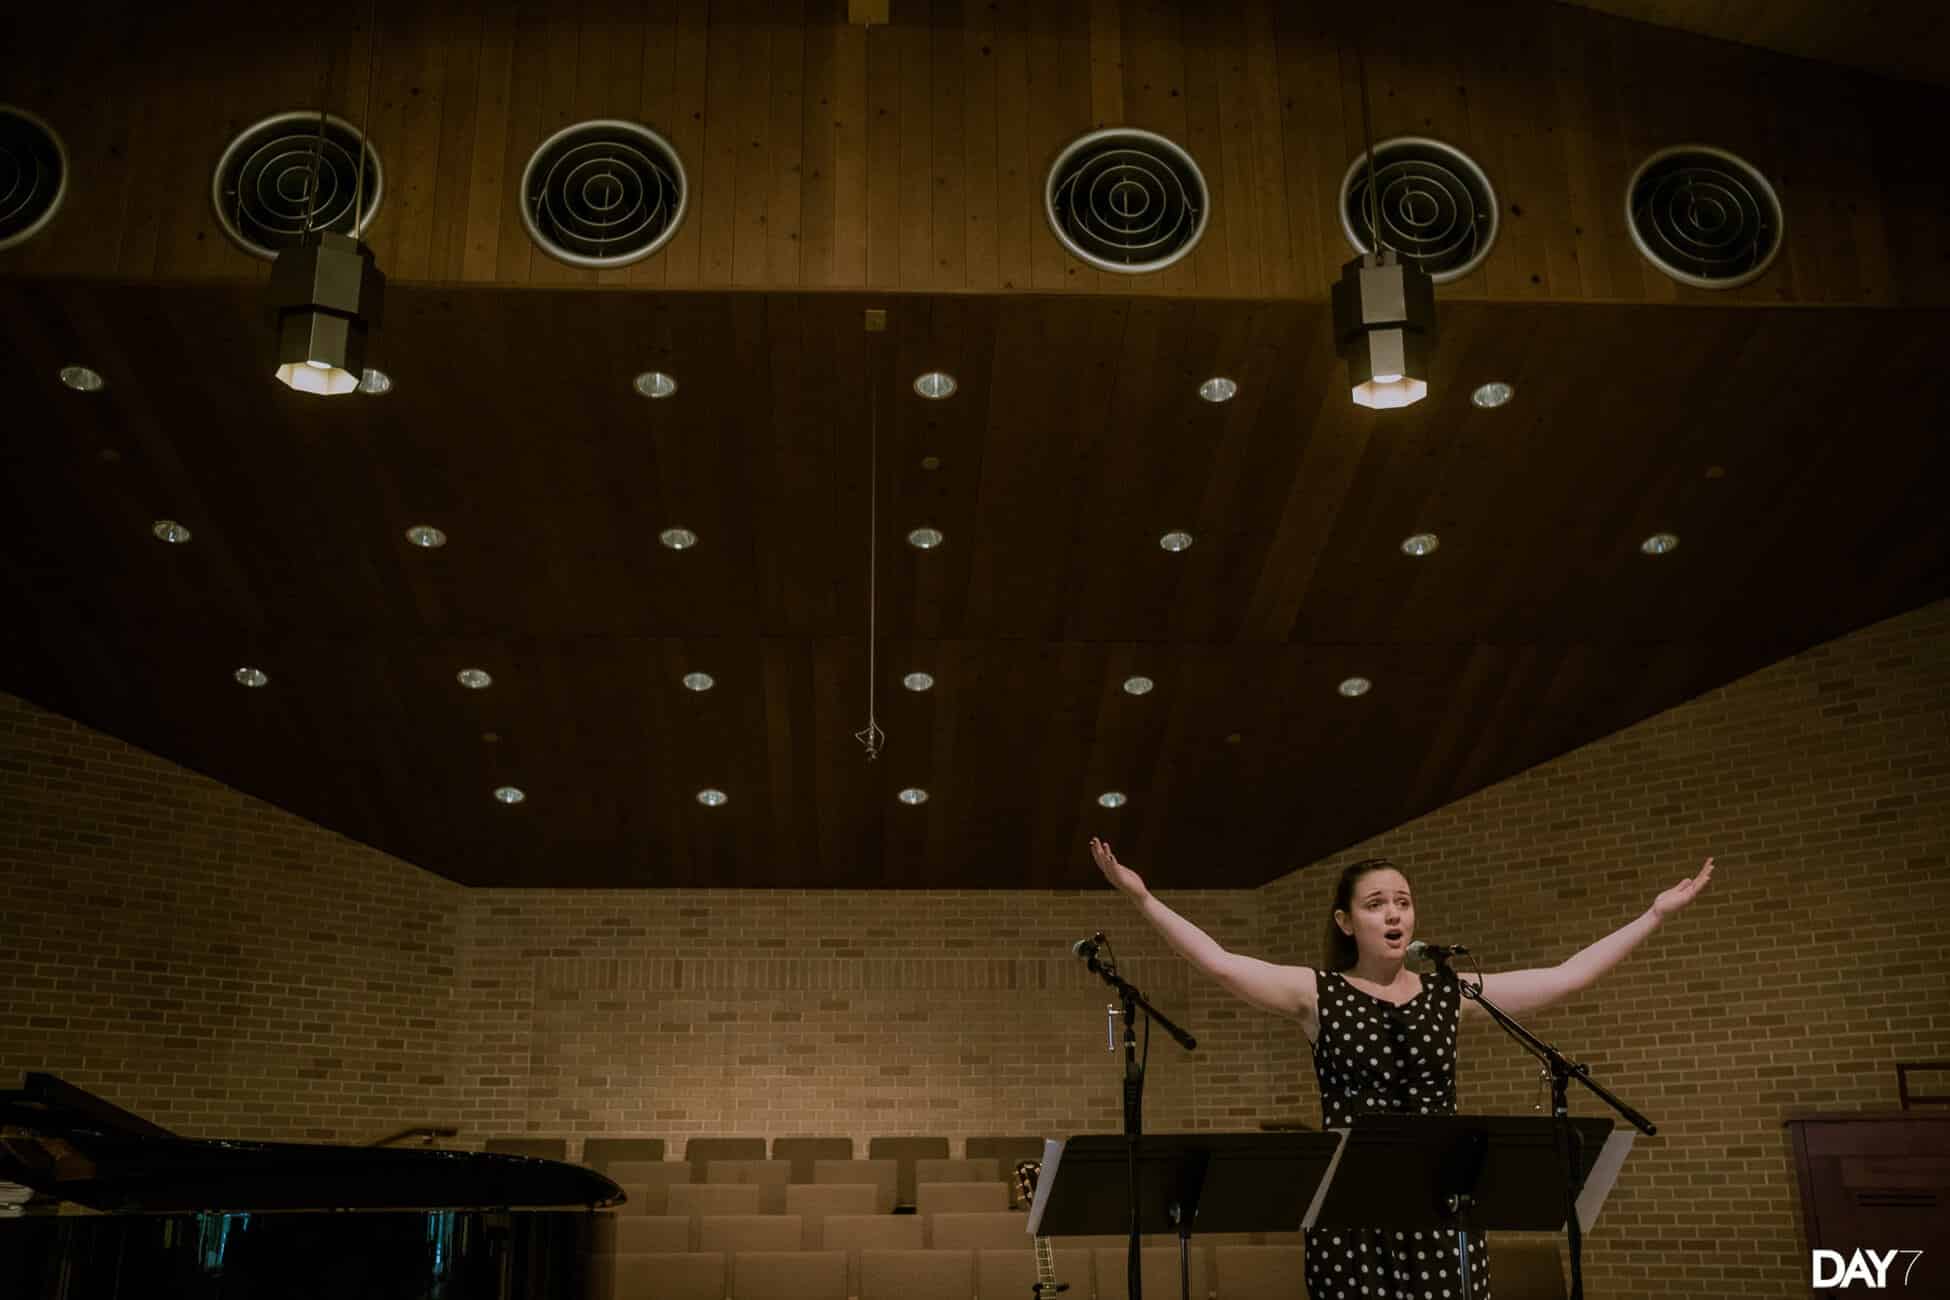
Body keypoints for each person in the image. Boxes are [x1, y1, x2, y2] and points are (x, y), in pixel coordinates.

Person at [1088, 837, 1714, 1300]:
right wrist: (1143, 897)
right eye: (1377, 904)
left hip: (1442, 1207)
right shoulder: (1317, 994)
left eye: (1404, 903)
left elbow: (1563, 978)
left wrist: (1654, 915)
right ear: (1346, 921)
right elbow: (1221, 963)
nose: (1394, 915)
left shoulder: (1452, 991)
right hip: (1352, 1212)